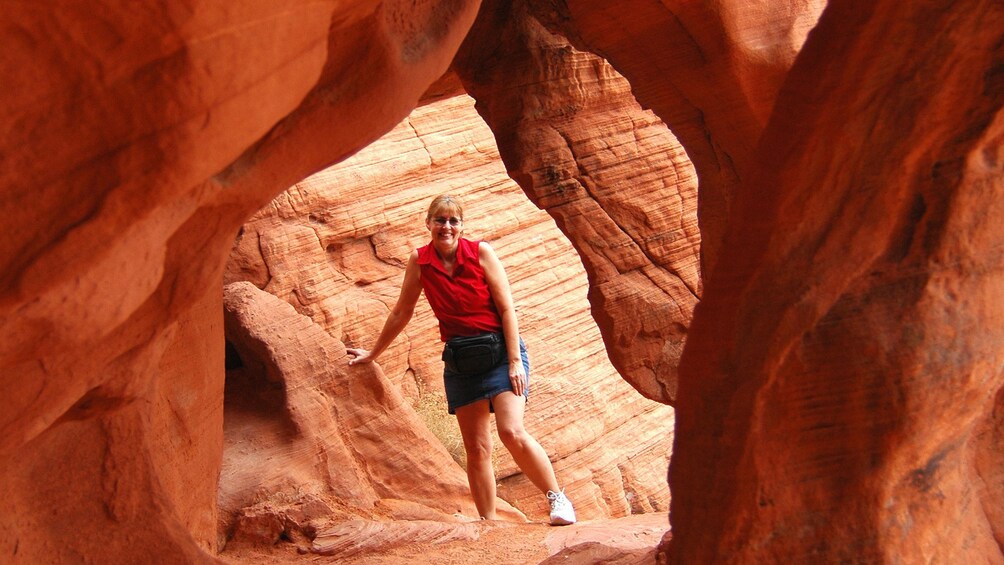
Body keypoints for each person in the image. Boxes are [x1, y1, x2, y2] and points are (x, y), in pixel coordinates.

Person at [346, 194, 576, 526]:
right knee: (478, 448)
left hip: (500, 354)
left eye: (454, 221)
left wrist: (514, 361)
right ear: (428, 224)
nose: (447, 227)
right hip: (460, 362)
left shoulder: (481, 253)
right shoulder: (420, 262)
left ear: (462, 226)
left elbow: (507, 308)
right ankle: (488, 522)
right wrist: (373, 353)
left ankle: (557, 499)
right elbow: (401, 311)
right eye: (440, 220)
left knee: (511, 431)